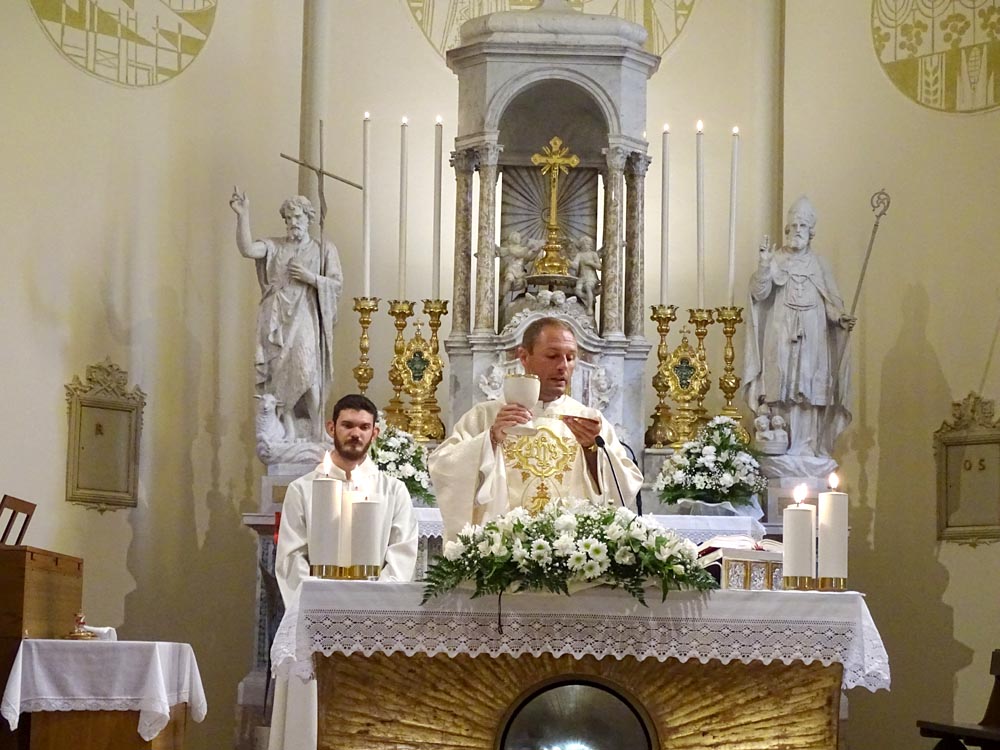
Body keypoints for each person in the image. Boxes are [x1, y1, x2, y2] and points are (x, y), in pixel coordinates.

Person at [268, 394, 418, 750]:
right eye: (348, 425)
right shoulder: (302, 490)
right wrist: (322, 603)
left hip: (375, 622)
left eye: (364, 427)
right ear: (331, 427)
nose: (356, 434)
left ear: (375, 432)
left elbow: (402, 554)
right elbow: (291, 557)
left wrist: (370, 604)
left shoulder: (393, 490)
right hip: (315, 621)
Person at [429, 317, 642, 540]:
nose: (563, 366)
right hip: (500, 549)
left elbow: (625, 486)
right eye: (552, 356)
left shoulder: (589, 420)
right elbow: (443, 467)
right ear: (524, 356)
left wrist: (591, 450)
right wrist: (490, 439)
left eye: (570, 358)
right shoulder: (486, 416)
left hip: (569, 549)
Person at [742, 196, 855, 458]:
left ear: (811, 231)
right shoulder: (775, 259)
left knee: (809, 387)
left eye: (803, 226)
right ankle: (780, 443)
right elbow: (759, 294)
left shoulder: (819, 264)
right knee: (781, 386)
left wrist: (840, 318)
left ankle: (809, 446)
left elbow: (830, 301)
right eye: (793, 226)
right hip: (781, 331)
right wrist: (764, 265)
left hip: (813, 333)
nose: (797, 230)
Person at [230, 189, 343, 442]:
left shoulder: (323, 249)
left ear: (309, 218)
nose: (293, 222)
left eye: (298, 217)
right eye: (289, 218)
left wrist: (311, 278)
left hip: (305, 313)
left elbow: (336, 284)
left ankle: (318, 427)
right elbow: (247, 249)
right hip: (276, 316)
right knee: (279, 372)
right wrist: (243, 215)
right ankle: (289, 427)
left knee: (308, 368)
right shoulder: (275, 246)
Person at [497, 231, 542, 299]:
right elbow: (519, 253)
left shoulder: (522, 249)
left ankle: (526, 295)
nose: (518, 238)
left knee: (527, 280)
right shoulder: (511, 248)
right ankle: (502, 296)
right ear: (512, 238)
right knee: (509, 279)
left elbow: (529, 257)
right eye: (516, 237)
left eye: (518, 237)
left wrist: (537, 251)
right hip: (511, 269)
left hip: (520, 270)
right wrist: (529, 248)